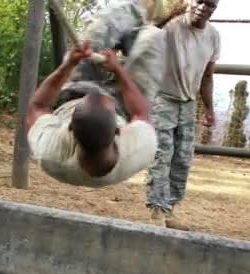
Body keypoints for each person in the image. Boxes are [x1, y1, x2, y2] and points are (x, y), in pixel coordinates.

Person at [25, 0, 166, 188]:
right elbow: (140, 113)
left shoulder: (49, 149)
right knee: (155, 36)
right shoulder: (137, 150)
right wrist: (117, 70)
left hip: (75, 89)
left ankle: (135, 17)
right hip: (121, 105)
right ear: (118, 131)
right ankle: (138, 30)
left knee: (102, 28)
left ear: (69, 130)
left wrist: (69, 65)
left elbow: (38, 106)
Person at [146, 0, 221, 229]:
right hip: (163, 98)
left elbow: (207, 77)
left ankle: (171, 211)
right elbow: (147, 30)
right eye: (199, 1)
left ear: (214, 9)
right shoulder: (170, 27)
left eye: (210, 5)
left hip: (188, 103)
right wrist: (173, 10)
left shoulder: (213, 37)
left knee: (182, 159)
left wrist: (209, 109)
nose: (202, 8)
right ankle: (157, 212)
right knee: (161, 155)